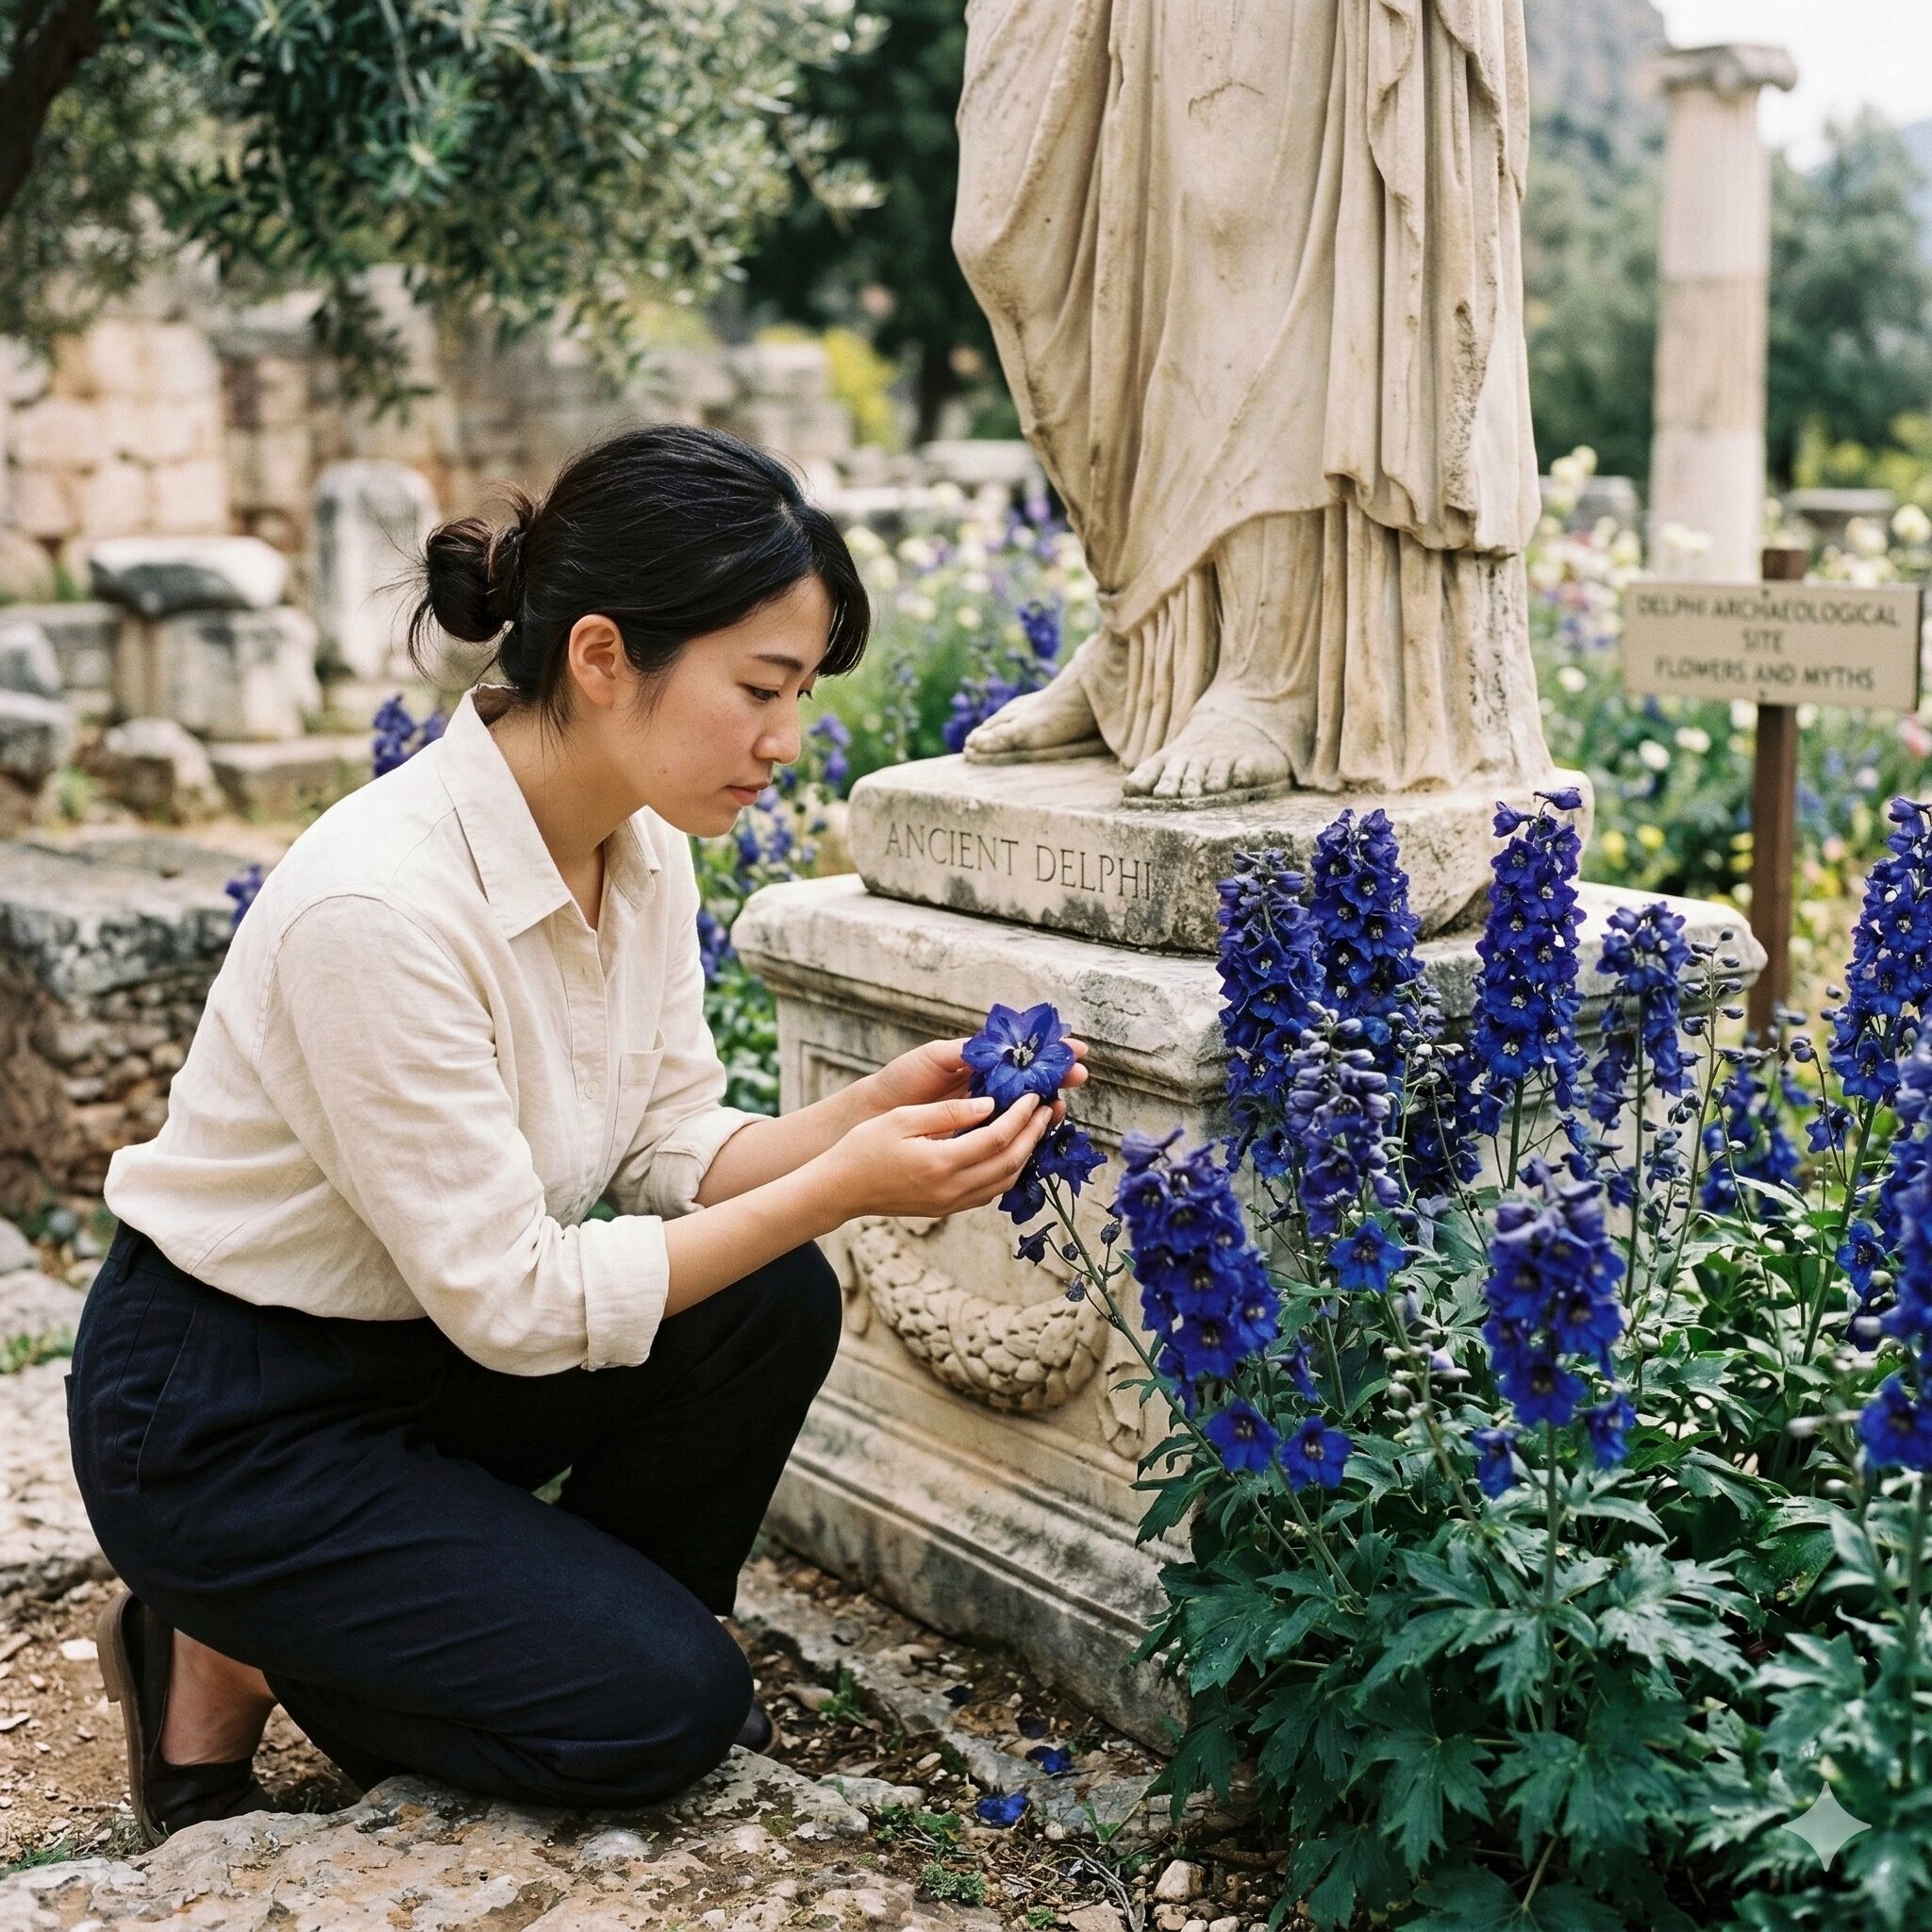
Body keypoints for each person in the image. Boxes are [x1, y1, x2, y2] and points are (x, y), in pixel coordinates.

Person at [66, 424, 1076, 1843]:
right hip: (230, 1415)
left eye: (798, 695)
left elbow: (665, 1137)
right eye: (761, 689)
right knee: (663, 1717)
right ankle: (232, 1630)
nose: (785, 742)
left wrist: (863, 1116)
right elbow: (518, 1302)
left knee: (766, 1304)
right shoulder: (382, 907)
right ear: (602, 657)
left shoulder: (637, 841)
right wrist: (842, 1185)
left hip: (414, 1352)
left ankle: (546, 1643)